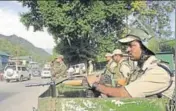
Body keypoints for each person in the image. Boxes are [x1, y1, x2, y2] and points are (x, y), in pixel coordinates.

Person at [86, 28, 175, 99]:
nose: (127, 50)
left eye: (131, 45)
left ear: (145, 47)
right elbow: (125, 86)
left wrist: (95, 85)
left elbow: (124, 93)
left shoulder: (158, 72)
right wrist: (103, 81)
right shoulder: (140, 69)